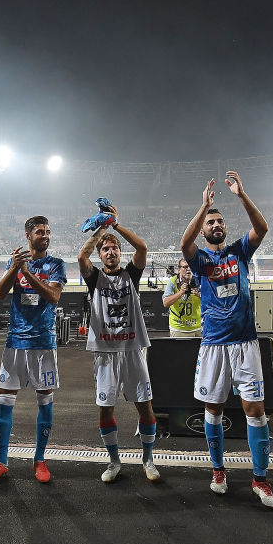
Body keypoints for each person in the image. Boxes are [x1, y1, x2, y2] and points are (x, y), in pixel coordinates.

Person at [180, 171, 273, 509]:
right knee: (214, 408)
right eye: (211, 222)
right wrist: (203, 207)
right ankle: (218, 470)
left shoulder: (239, 252)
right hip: (213, 345)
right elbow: (184, 244)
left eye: (220, 221)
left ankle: (261, 479)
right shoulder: (200, 260)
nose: (216, 225)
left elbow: (262, 228)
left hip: (245, 344)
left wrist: (241, 195)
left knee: (255, 410)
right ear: (204, 229)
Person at [77, 204, 160, 484]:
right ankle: (114, 461)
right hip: (104, 353)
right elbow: (81, 256)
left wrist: (115, 225)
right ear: (100, 256)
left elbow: (143, 247)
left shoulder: (131, 275)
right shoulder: (94, 278)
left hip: (132, 350)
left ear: (119, 253)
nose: (110, 252)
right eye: (105, 249)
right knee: (105, 408)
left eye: (114, 248)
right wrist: (100, 229)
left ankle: (148, 459)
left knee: (145, 406)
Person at [0, 215, 66, 485]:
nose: (46, 235)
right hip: (15, 342)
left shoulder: (56, 264)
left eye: (48, 231)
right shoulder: (15, 262)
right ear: (28, 235)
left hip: (43, 342)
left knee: (45, 401)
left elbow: (53, 297)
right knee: (5, 401)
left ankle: (40, 461)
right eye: (40, 231)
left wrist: (27, 273)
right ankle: (1, 462)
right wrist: (14, 269)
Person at [162, 258, 202, 338]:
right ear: (179, 269)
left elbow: (211, 301)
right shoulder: (173, 281)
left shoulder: (199, 280)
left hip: (197, 327)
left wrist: (200, 295)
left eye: (191, 267)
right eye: (185, 267)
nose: (188, 270)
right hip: (179, 329)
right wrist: (180, 293)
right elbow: (165, 303)